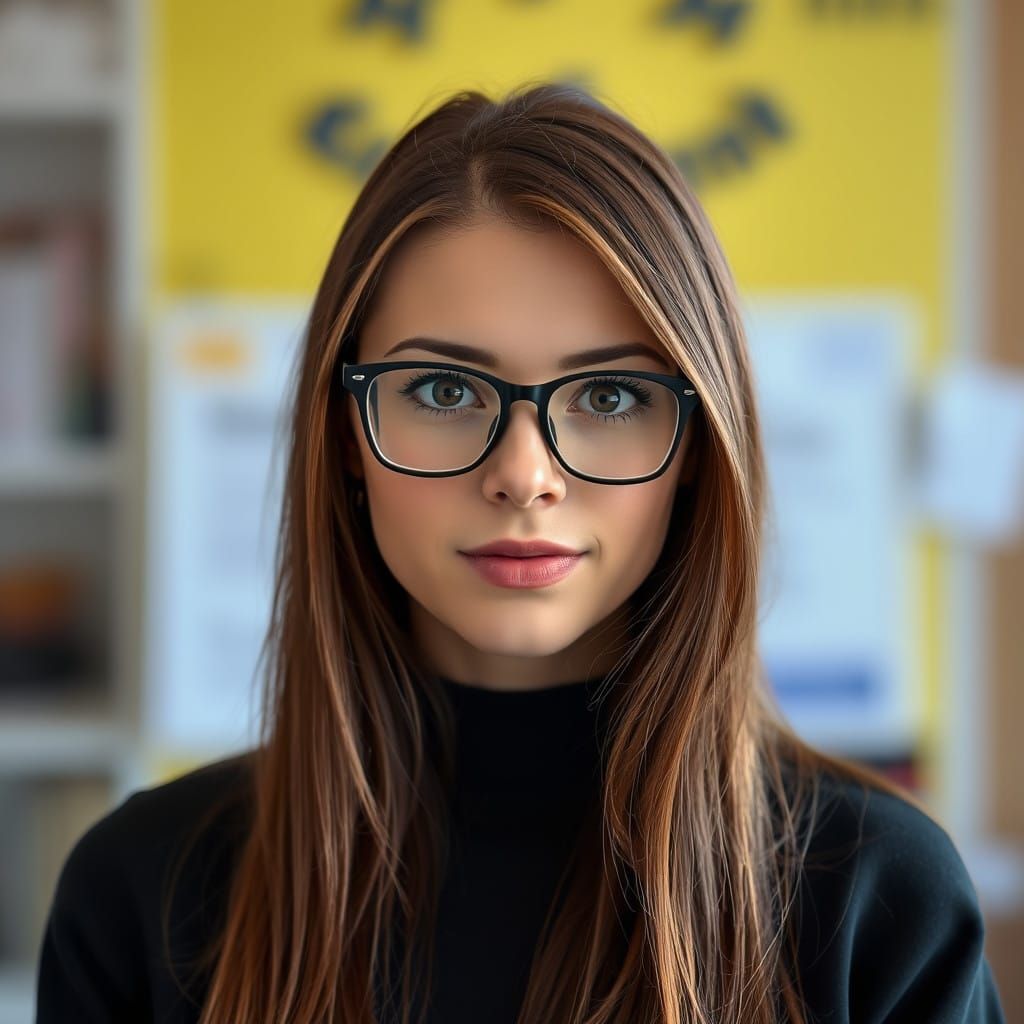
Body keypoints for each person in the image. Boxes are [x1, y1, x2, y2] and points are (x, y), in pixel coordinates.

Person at [36, 82, 1006, 1024]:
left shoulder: (876, 895)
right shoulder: (141, 892)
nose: (523, 474)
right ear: (345, 434)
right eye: (445, 391)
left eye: (612, 397)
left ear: (699, 452)